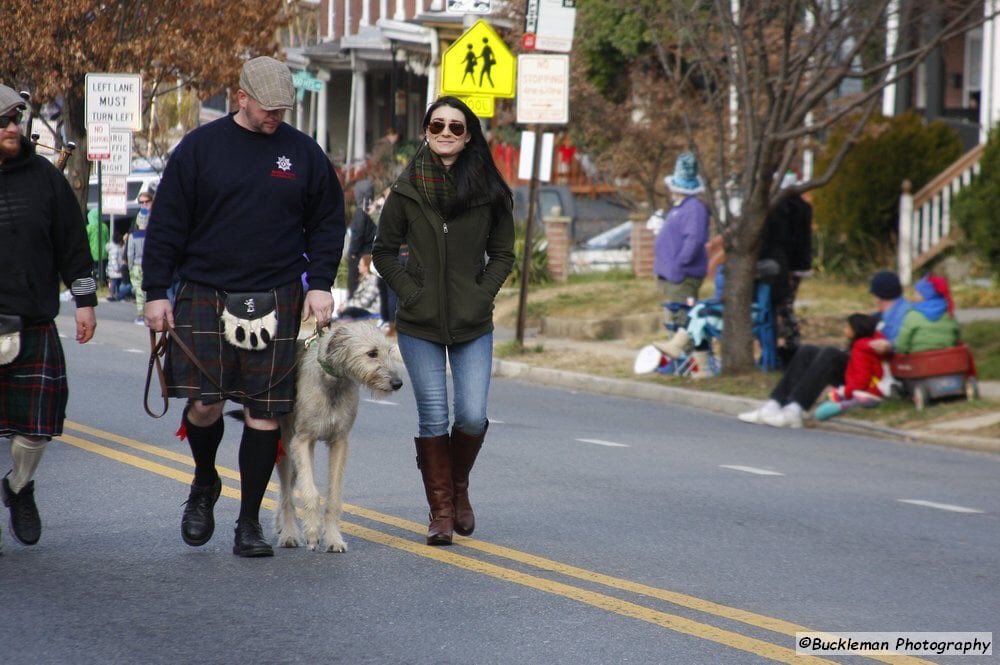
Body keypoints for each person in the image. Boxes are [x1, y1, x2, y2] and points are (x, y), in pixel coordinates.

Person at [142, 56, 346, 558]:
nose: (275, 116)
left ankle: (250, 522)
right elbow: (167, 223)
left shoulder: (302, 154)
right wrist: (154, 292)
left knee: (265, 414)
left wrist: (320, 284)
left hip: (278, 292)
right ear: (241, 98)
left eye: (282, 108)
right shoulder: (200, 149)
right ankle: (205, 481)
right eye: (267, 108)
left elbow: (327, 222)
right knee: (205, 405)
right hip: (205, 290)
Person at [372, 96, 515, 546]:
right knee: (434, 417)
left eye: (456, 127)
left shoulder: (490, 191)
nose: (446, 134)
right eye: (438, 126)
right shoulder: (407, 188)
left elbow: (504, 254)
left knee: (471, 416)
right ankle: (441, 513)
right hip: (420, 323)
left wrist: (480, 293)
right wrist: (411, 292)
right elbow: (383, 252)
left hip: (472, 321)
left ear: (469, 134)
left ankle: (457, 486)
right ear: (426, 131)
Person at [0, 84, 98, 551]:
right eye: (3, 122)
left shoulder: (44, 177)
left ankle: (19, 486)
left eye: (16, 119)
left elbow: (72, 242)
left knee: (35, 429)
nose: (13, 128)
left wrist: (84, 301)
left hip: (33, 318)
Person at [738, 270, 908, 428]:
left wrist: (889, 345)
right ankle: (775, 403)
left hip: (875, 374)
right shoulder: (882, 313)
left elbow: (903, 342)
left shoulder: (903, 313)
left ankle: (796, 408)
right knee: (808, 351)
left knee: (831, 354)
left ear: (880, 295)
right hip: (862, 363)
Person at [654, 151, 710, 334]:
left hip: (682, 277)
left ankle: (687, 360)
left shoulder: (693, 208)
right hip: (673, 276)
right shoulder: (681, 207)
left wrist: (679, 264)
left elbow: (693, 240)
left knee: (683, 323)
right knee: (675, 321)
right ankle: (680, 359)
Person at [760, 170, 813, 364]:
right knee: (786, 306)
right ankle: (788, 344)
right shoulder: (803, 207)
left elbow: (786, 239)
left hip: (786, 263)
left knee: (783, 307)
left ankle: (789, 346)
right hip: (798, 263)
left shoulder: (783, 208)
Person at [813, 313, 889, 421]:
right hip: (876, 387)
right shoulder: (869, 345)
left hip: (869, 391)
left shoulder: (860, 349)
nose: (844, 330)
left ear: (855, 330)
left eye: (847, 327)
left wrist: (845, 392)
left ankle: (833, 408)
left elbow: (861, 378)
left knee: (832, 402)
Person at [892, 274, 959, 354]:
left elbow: (902, 345)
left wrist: (903, 350)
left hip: (918, 362)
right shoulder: (948, 313)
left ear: (925, 295)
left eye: (917, 293)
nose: (914, 295)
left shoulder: (913, 315)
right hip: (947, 361)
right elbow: (956, 338)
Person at [347, 178, 376, 299]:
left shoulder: (361, 212)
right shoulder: (374, 211)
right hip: (371, 251)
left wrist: (353, 252)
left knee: (355, 282)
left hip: (359, 254)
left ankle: (353, 308)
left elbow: (358, 233)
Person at [337, 255, 380, 320]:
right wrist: (344, 304)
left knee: (347, 312)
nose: (358, 266)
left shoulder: (373, 280)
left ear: (366, 267)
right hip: (361, 309)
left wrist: (346, 305)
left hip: (370, 311)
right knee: (341, 312)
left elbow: (365, 302)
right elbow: (355, 298)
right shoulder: (363, 280)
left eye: (360, 265)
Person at [105, 231, 131, 302]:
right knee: (114, 283)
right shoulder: (114, 249)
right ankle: (113, 295)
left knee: (118, 284)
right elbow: (113, 260)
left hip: (116, 271)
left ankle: (116, 295)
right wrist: (117, 268)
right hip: (115, 271)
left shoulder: (118, 248)